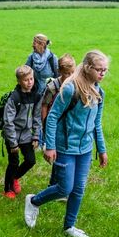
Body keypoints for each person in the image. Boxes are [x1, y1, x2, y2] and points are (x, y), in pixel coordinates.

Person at [24, 51, 109, 237]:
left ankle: (69, 226)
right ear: (87, 68)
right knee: (64, 188)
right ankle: (34, 201)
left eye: (105, 70)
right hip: (65, 147)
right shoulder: (71, 89)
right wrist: (50, 146)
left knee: (78, 189)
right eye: (99, 69)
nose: (103, 73)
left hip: (85, 149)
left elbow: (97, 123)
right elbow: (52, 117)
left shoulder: (99, 92)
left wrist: (101, 149)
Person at [2, 65, 42, 198]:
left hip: (26, 135)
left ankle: (14, 178)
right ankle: (8, 189)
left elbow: (37, 117)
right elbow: (8, 121)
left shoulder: (36, 96)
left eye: (31, 79)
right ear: (19, 81)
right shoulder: (14, 98)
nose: (30, 82)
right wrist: (13, 143)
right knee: (14, 162)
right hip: (12, 134)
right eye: (26, 80)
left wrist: (36, 136)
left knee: (31, 160)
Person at [40, 53, 76, 187]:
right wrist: (44, 125)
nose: (70, 76)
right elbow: (44, 106)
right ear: (59, 71)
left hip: (69, 126)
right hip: (55, 125)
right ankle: (54, 184)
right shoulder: (52, 87)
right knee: (58, 155)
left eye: (72, 73)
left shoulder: (75, 84)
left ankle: (58, 184)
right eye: (67, 73)